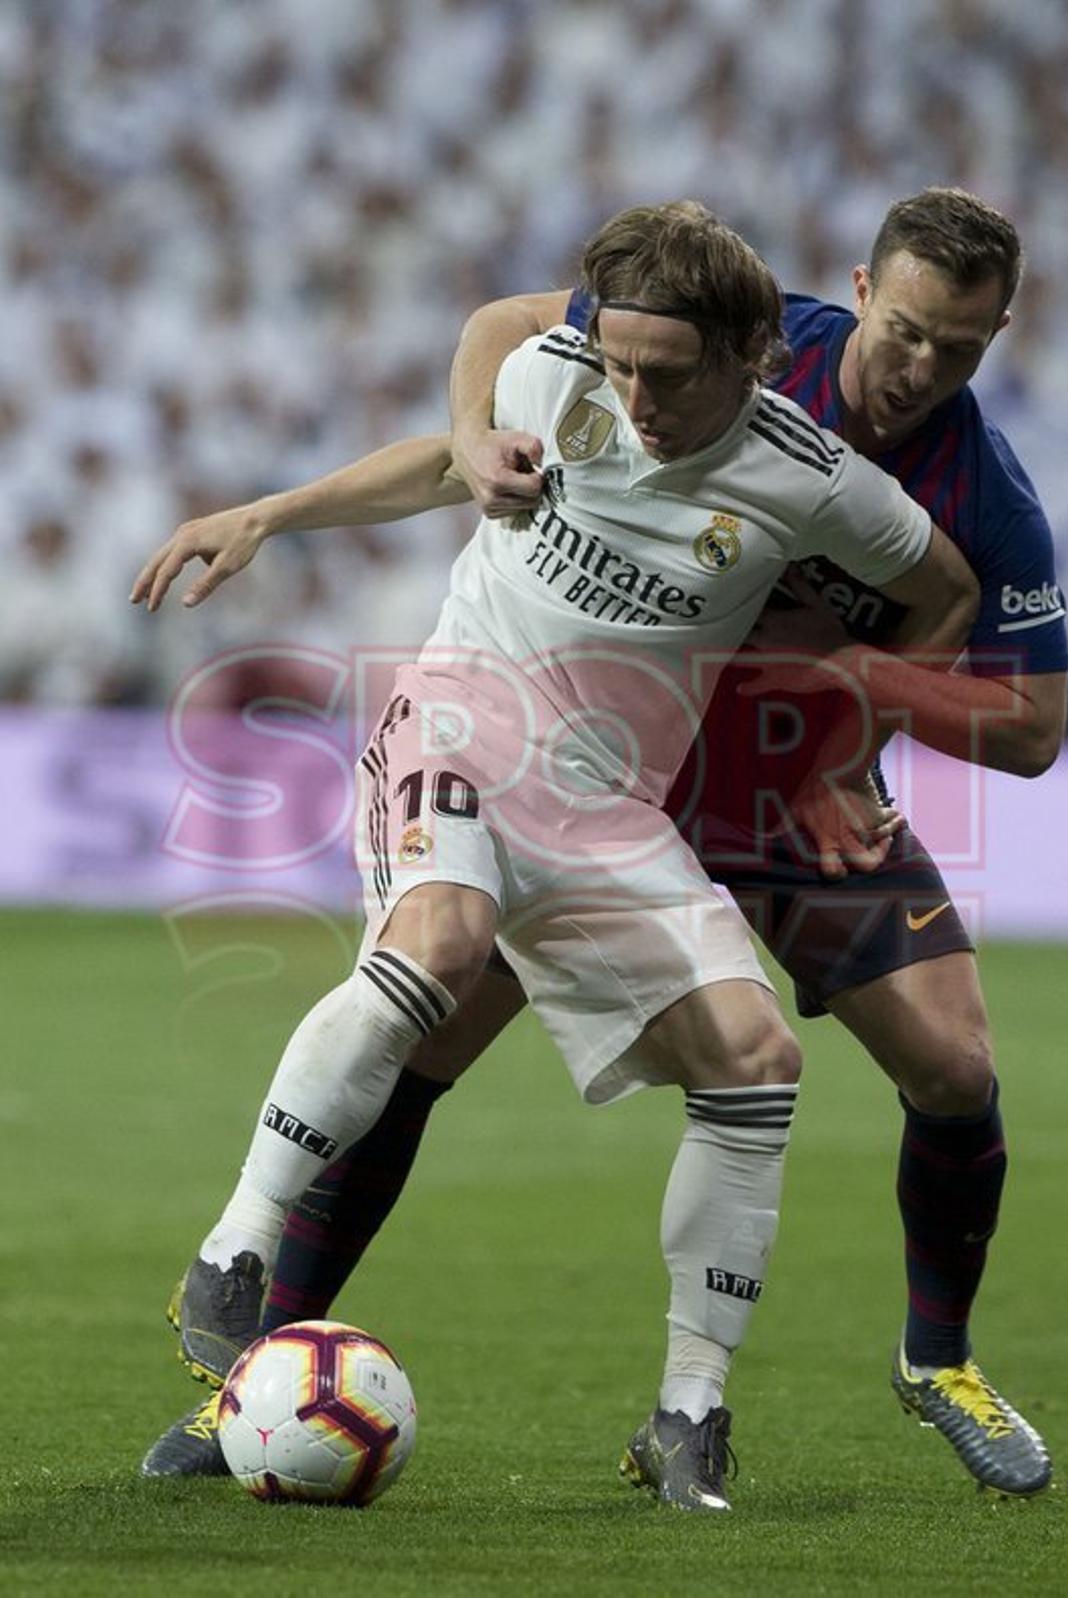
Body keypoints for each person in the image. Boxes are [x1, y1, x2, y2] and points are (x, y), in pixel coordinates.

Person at [133, 199, 978, 1512]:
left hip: (609, 812)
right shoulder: (562, 377)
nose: (631, 392)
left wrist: (846, 743)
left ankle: (690, 1412)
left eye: (667, 371)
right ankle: (234, 1250)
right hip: (462, 722)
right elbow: (444, 454)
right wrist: (273, 513)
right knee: (439, 946)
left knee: (760, 1058)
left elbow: (949, 593)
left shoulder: (812, 481)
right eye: (620, 359)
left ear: (752, 356)